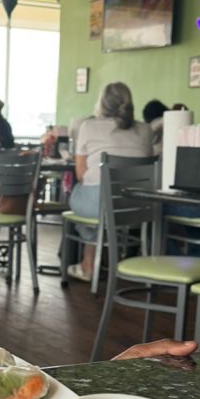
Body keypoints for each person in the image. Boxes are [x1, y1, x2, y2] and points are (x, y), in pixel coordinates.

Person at [66, 82, 154, 282]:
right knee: (103, 199)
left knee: (82, 193)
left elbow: (80, 174)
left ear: (102, 103)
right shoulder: (145, 129)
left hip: (99, 204)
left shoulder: (88, 126)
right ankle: (108, 259)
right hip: (136, 205)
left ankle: (89, 262)